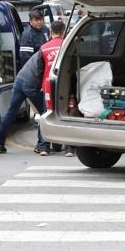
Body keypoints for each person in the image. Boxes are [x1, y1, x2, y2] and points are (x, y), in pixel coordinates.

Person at [0, 47, 48, 155]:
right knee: (45, 113)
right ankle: (42, 146)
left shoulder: (43, 48)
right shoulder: (51, 50)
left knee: (11, 112)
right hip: (31, 82)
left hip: (20, 79)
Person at [40, 21, 74, 157]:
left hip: (47, 86)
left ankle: (44, 147)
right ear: (63, 31)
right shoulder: (67, 46)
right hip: (64, 87)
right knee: (66, 115)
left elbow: (39, 70)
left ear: (51, 31)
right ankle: (69, 148)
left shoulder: (43, 48)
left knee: (46, 114)